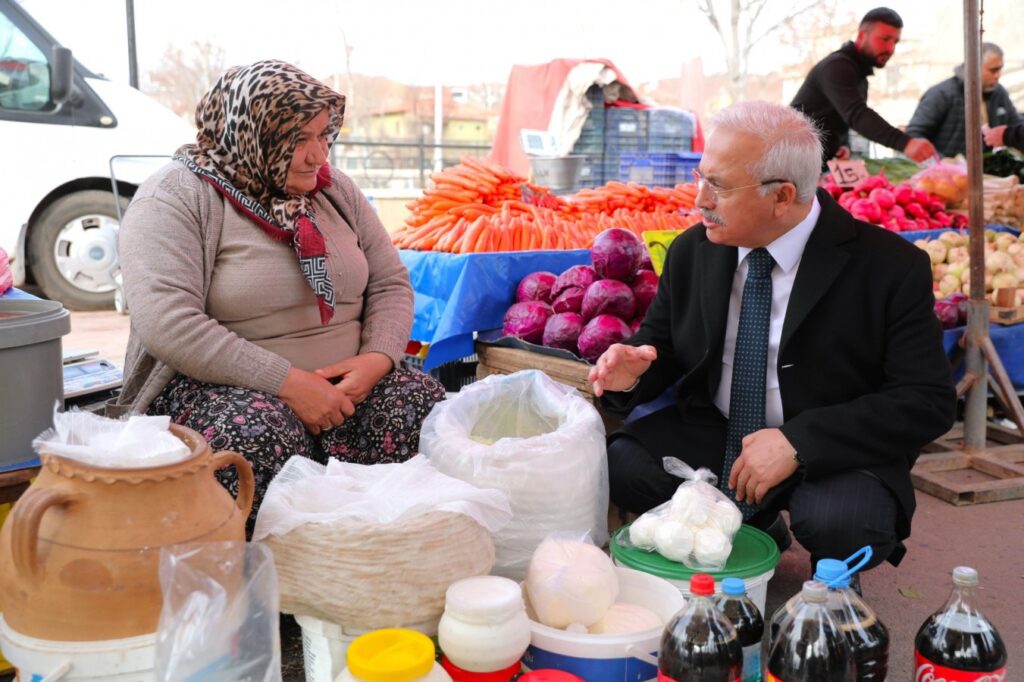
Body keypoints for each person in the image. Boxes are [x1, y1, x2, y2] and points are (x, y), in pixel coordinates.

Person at [589, 101, 955, 572]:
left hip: (829, 445)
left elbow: (927, 400)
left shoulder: (888, 267)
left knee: (844, 524)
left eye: (717, 186)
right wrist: (631, 376)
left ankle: (820, 563)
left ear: (782, 196)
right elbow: (663, 348)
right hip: (719, 430)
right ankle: (756, 524)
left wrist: (798, 442)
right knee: (619, 466)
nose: (699, 199)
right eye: (701, 178)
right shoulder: (693, 251)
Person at [113, 60, 446, 530]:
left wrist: (376, 360)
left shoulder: (333, 191)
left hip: (349, 389)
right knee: (253, 436)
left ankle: (377, 564)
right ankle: (269, 588)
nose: (319, 156)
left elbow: (390, 282)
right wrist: (291, 385)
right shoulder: (174, 197)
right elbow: (167, 322)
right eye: (299, 140)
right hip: (225, 391)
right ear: (251, 135)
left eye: (324, 136)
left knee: (423, 403)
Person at [790, 7, 937, 164]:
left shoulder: (857, 73)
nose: (890, 48)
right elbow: (856, 114)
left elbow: (841, 115)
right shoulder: (837, 66)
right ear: (862, 35)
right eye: (885, 39)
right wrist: (906, 143)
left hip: (816, 163)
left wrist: (842, 144)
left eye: (895, 42)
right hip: (792, 160)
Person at [906, 43, 1021, 158]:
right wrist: (940, 161)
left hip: (990, 171)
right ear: (974, 67)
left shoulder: (999, 93)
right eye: (993, 70)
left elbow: (1017, 124)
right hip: (948, 173)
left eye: (1000, 70)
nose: (997, 75)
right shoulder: (942, 94)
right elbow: (914, 134)